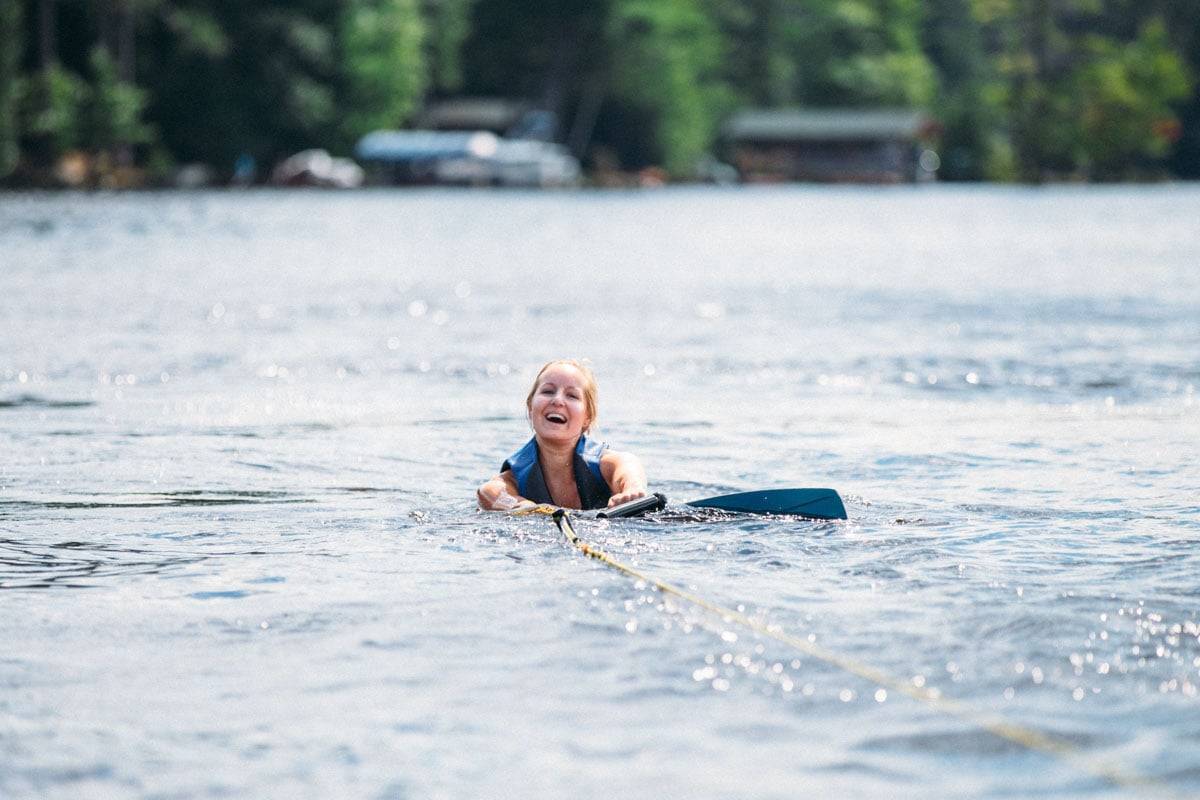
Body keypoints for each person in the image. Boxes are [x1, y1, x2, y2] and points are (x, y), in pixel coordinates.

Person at [477, 359, 648, 511]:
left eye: (572, 396)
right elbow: (489, 492)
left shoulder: (604, 465)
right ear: (530, 407)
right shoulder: (515, 477)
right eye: (548, 392)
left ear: (587, 417)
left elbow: (627, 464)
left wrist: (632, 489)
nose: (557, 400)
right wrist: (521, 506)